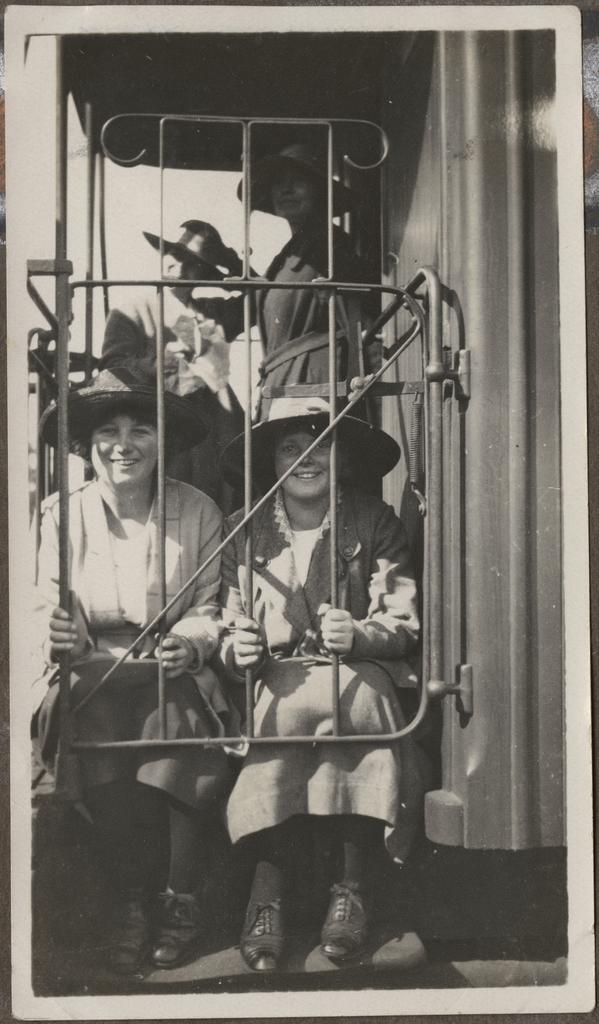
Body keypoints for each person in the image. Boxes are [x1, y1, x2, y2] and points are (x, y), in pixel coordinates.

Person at [32, 365, 235, 974]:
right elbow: (45, 598)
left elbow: (209, 604)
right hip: (93, 663)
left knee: (174, 718)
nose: (124, 445)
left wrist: (193, 642)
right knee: (93, 726)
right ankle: (130, 903)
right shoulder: (60, 514)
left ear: (162, 442)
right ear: (88, 447)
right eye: (108, 432)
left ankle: (179, 902)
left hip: (168, 661)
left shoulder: (196, 510)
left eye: (141, 429)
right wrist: (57, 628)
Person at [215, 398, 427, 972]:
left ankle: (351, 889)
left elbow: (402, 622)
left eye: (321, 442)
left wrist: (359, 633)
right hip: (276, 675)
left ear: (343, 457)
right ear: (271, 459)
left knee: (360, 703)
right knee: (282, 714)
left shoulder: (373, 519)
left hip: (354, 669)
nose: (306, 457)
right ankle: (268, 896)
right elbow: (226, 620)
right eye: (290, 446)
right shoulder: (243, 527)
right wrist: (239, 649)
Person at [199, 142, 378, 420]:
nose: (285, 190)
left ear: (319, 192)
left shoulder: (328, 246)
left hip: (310, 382)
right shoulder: (292, 253)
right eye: (279, 184)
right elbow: (275, 300)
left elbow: (356, 304)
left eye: (298, 183)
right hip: (287, 381)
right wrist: (230, 263)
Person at [101, 220, 245, 512]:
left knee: (217, 508)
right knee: (167, 510)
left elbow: (264, 297)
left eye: (192, 261)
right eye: (172, 253)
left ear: (203, 272)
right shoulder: (133, 309)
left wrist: (232, 263)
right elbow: (111, 370)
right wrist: (165, 362)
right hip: (164, 430)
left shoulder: (212, 313)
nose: (177, 263)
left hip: (216, 433)